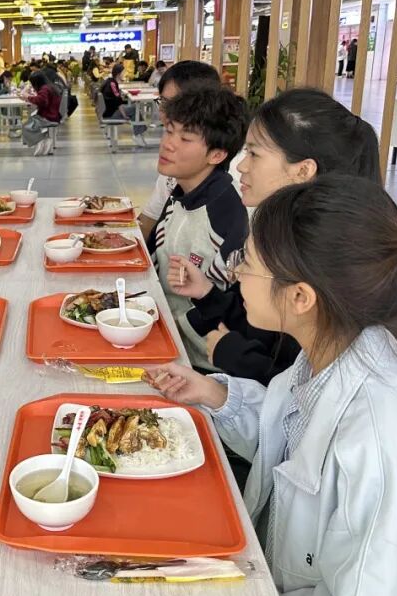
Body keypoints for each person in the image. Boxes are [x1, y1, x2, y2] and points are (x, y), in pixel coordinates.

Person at [83, 176, 397, 596]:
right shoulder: (334, 353)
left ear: (300, 297)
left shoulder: (383, 445)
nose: (236, 272)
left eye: (248, 262)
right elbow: (293, 443)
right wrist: (216, 394)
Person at [169, 88, 381, 384]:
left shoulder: (324, 258)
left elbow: (306, 381)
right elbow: (259, 322)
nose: (241, 165)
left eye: (254, 154)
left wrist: (238, 358)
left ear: (303, 170)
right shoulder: (281, 233)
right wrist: (207, 293)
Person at [146, 84, 249, 368]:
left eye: (185, 138)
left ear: (217, 155)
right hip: (161, 334)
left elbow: (224, 307)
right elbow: (151, 260)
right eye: (169, 131)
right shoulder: (180, 194)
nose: (168, 144)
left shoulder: (227, 214)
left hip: (199, 362)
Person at [138, 60, 224, 237]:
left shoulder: (233, 182)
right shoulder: (174, 164)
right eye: (164, 102)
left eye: (178, 104)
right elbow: (148, 219)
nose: (166, 113)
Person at [99, 63, 147, 146]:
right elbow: (118, 102)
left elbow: (116, 99)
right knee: (134, 109)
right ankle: (138, 135)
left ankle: (139, 133)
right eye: (123, 72)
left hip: (107, 111)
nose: (125, 74)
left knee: (133, 108)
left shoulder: (109, 81)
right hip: (111, 114)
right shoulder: (113, 84)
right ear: (118, 74)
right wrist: (124, 115)